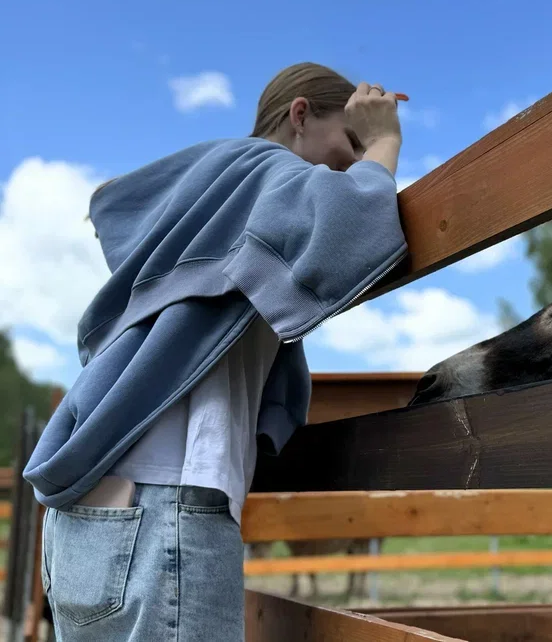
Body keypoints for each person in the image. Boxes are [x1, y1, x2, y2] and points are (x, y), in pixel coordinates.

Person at [24, 62, 408, 641]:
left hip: (88, 515)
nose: (353, 163)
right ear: (300, 116)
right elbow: (355, 225)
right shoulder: (266, 172)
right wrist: (383, 142)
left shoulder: (210, 199)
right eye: (349, 142)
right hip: (167, 505)